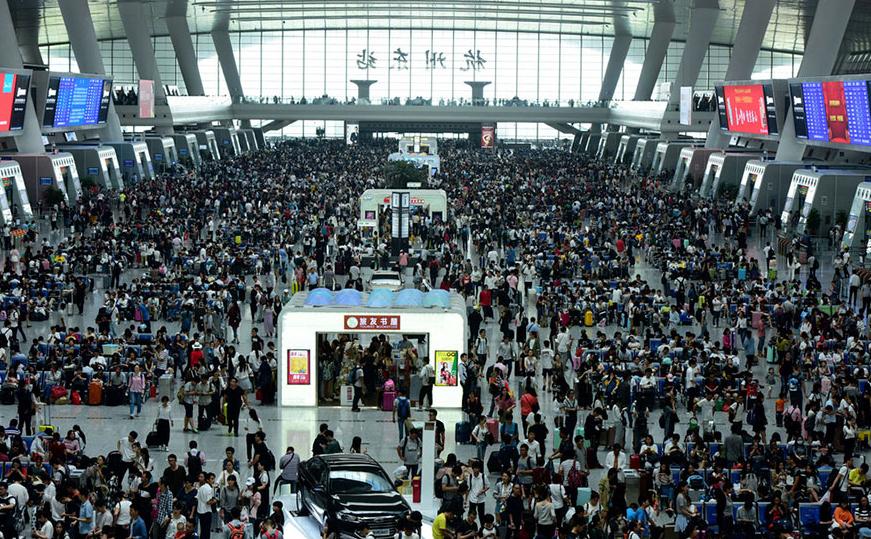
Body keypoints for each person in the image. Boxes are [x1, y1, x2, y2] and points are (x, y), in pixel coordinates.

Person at [196, 473, 217, 539]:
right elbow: (208, 502)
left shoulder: (201, 487)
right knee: (207, 531)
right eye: (212, 479)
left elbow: (197, 497)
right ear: (207, 480)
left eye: (214, 479)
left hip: (200, 512)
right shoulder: (209, 489)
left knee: (203, 531)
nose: (213, 480)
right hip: (206, 512)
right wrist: (215, 501)